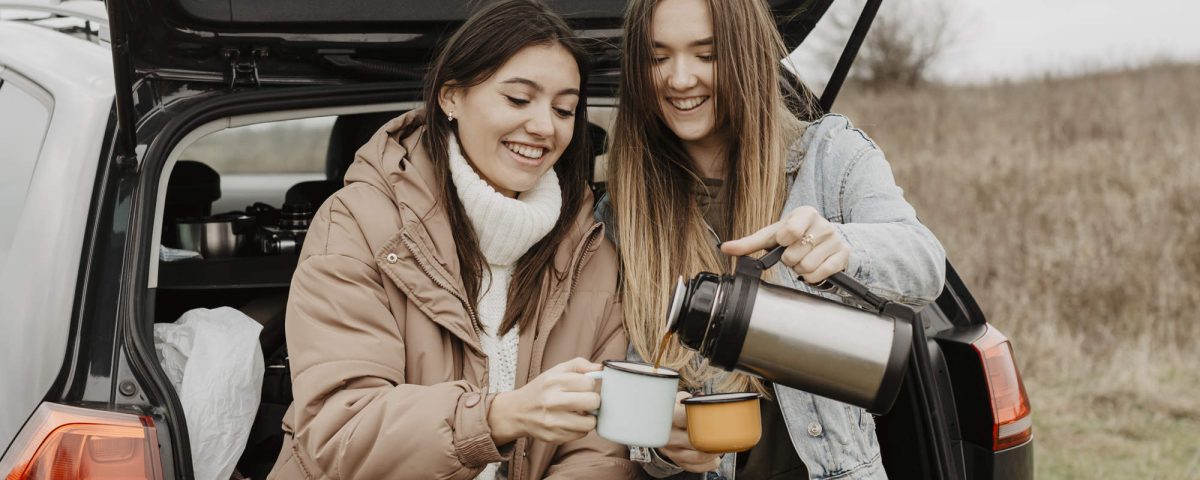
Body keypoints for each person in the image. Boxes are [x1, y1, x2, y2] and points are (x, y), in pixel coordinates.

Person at [268, 1, 639, 478]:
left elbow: (599, 451)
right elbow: (341, 432)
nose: (545, 126)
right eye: (519, 99)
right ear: (451, 97)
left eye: (564, 108)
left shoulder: (591, 249)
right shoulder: (357, 224)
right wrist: (496, 417)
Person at [598, 0, 947, 478]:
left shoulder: (829, 157)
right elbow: (634, 403)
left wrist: (842, 247)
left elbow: (926, 265)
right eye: (658, 58)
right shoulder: (626, 215)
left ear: (746, 54)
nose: (679, 79)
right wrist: (662, 449)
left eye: (707, 54)